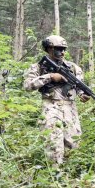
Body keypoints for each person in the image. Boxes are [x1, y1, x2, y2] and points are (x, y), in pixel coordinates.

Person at [23, 35, 89, 165]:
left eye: (64, 49)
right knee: (53, 141)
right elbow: (27, 85)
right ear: (49, 49)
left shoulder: (74, 68)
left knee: (74, 141)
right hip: (50, 106)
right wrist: (50, 76)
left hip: (70, 108)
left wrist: (83, 94)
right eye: (59, 49)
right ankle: (55, 174)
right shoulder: (37, 67)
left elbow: (80, 86)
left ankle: (71, 173)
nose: (62, 52)